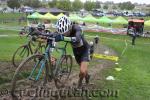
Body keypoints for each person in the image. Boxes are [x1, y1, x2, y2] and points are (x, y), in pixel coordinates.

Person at [55, 16, 91, 87]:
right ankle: (87, 77)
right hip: (76, 51)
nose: (65, 34)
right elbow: (54, 34)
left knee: (82, 71)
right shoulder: (63, 31)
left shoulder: (76, 28)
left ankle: (79, 83)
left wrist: (63, 38)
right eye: (63, 34)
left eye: (66, 32)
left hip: (85, 50)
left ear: (70, 27)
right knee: (83, 71)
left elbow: (77, 39)